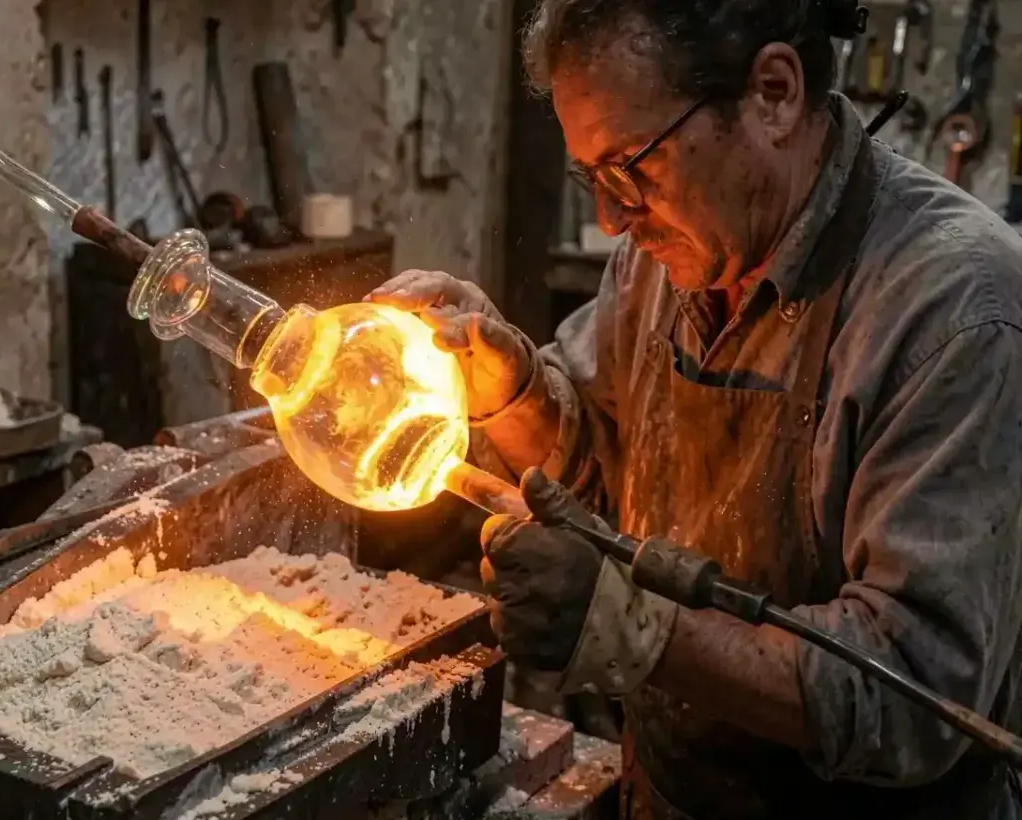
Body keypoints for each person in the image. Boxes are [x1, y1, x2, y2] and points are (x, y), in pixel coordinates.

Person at [366, 1, 1022, 818]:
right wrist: (510, 394)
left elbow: (915, 700)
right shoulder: (663, 261)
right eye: (592, 180)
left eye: (632, 166)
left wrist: (632, 626)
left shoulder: (956, 308)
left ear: (774, 94)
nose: (612, 218)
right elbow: (601, 479)